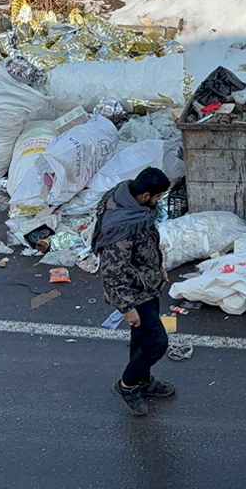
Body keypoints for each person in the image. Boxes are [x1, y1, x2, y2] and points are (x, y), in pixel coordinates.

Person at [96, 167, 173, 417]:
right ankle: (127, 385)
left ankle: (142, 380)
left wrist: (158, 268)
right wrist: (127, 308)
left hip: (147, 282)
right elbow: (112, 271)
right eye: (157, 197)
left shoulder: (133, 205)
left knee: (141, 338)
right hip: (134, 291)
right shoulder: (121, 226)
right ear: (145, 195)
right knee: (157, 342)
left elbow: (146, 242)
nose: (158, 202)